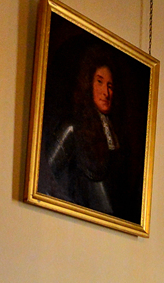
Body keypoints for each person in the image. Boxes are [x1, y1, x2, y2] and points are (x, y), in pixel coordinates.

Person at [44, 47, 131, 220]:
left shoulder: (114, 134)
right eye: (99, 82)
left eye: (110, 86)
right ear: (88, 83)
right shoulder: (71, 128)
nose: (106, 93)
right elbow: (47, 178)